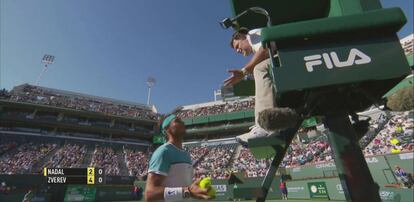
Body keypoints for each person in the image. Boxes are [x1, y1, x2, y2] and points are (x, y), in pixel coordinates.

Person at [224, 27, 300, 145]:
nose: (237, 51)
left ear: (242, 37)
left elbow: (266, 49)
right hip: (290, 55)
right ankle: (266, 123)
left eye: (237, 46)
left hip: (293, 54)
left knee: (259, 68)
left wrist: (244, 71)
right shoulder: (254, 47)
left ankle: (266, 124)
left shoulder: (252, 34)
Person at [144, 114, 212, 201]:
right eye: (177, 121)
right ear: (166, 129)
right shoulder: (163, 152)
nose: (182, 122)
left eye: (181, 120)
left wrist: (193, 187)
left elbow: (183, 187)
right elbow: (150, 193)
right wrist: (187, 191)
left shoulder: (186, 154)